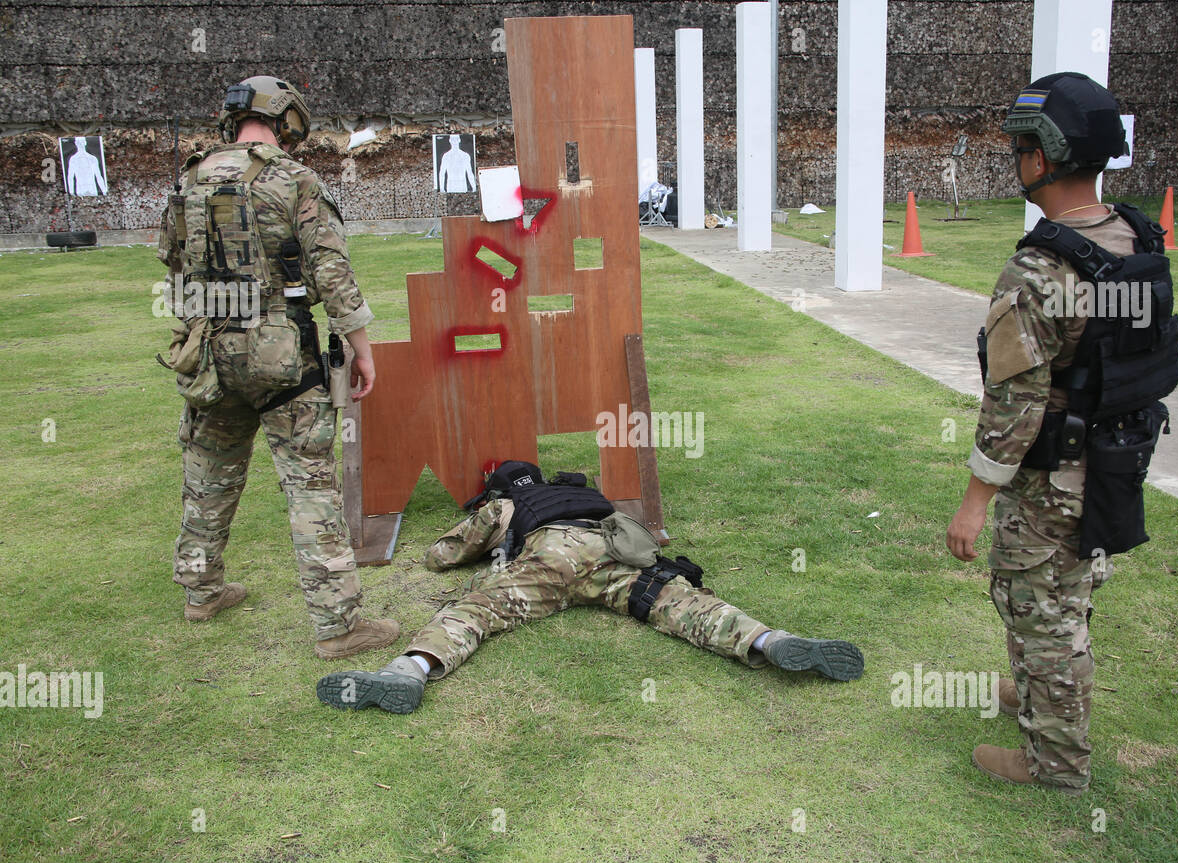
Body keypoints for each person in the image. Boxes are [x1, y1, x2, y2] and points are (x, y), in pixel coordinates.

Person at [946, 73, 1178, 793]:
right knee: (1060, 590)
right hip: (1113, 457)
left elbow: (1015, 403)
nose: (1016, 160)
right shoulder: (1134, 233)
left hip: (1054, 472)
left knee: (1039, 604)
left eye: (1020, 149)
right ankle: (1035, 690)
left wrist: (975, 499)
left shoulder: (1040, 269)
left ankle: (1056, 764)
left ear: (1040, 160)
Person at [157, 75, 399, 660]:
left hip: (208, 350)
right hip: (281, 355)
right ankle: (338, 627)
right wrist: (362, 348)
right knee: (310, 486)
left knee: (207, 477)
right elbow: (332, 276)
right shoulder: (295, 180)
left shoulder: (189, 179)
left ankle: (200, 591)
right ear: (286, 119)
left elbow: (173, 265)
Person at [316, 466, 864, 714]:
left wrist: (472, 530)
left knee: (476, 610)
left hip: (551, 561)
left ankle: (407, 672)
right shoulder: (584, 494)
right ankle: (771, 641)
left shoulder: (505, 505)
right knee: (686, 606)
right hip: (615, 554)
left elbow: (443, 558)